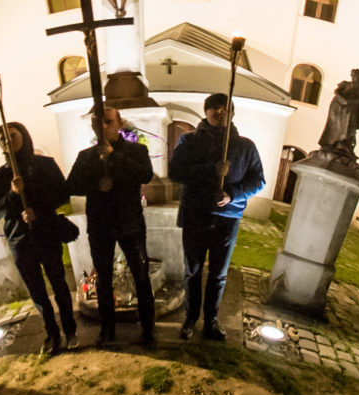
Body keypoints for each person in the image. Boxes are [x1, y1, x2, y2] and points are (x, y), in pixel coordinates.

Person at [167, 92, 265, 341]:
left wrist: (233, 193)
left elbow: (258, 180)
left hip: (227, 218)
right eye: (214, 108)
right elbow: (176, 172)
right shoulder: (189, 141)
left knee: (219, 273)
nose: (220, 113)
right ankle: (191, 317)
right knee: (193, 270)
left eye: (225, 109)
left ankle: (211, 320)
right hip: (196, 213)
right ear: (206, 112)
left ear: (232, 113)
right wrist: (210, 169)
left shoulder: (245, 146)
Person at [64, 107, 157, 346]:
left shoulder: (136, 150)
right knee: (103, 279)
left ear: (119, 124)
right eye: (99, 123)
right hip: (100, 225)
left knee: (141, 275)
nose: (104, 127)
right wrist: (96, 184)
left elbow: (145, 175)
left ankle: (148, 326)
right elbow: (71, 185)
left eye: (108, 122)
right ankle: (107, 328)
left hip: (129, 223)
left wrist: (114, 157)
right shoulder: (86, 156)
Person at [0, 121, 78, 356]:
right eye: (3, 139)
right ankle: (52, 333)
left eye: (12, 135)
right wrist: (12, 193)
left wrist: (38, 209)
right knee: (37, 291)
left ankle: (70, 330)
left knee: (59, 283)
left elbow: (62, 194)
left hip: (46, 233)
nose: (8, 141)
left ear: (24, 136)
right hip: (20, 241)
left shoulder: (44, 165)